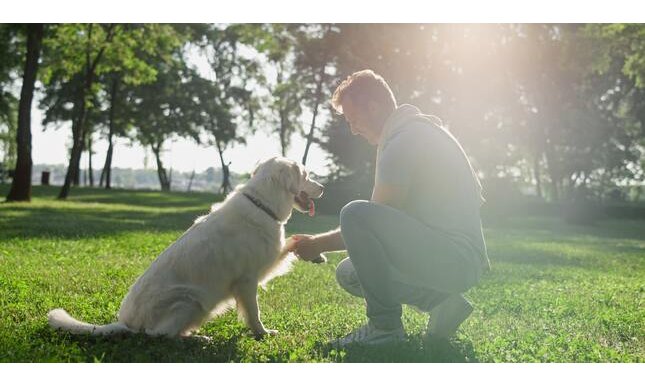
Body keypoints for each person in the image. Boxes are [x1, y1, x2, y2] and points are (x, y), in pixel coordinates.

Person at [290, 69, 490, 346]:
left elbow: (367, 222)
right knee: (350, 273)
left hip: (454, 259)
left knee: (354, 213)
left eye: (354, 119)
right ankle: (443, 304)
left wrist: (316, 244)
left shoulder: (404, 140)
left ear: (373, 107)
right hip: (458, 259)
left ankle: (384, 327)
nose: (353, 128)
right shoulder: (415, 129)